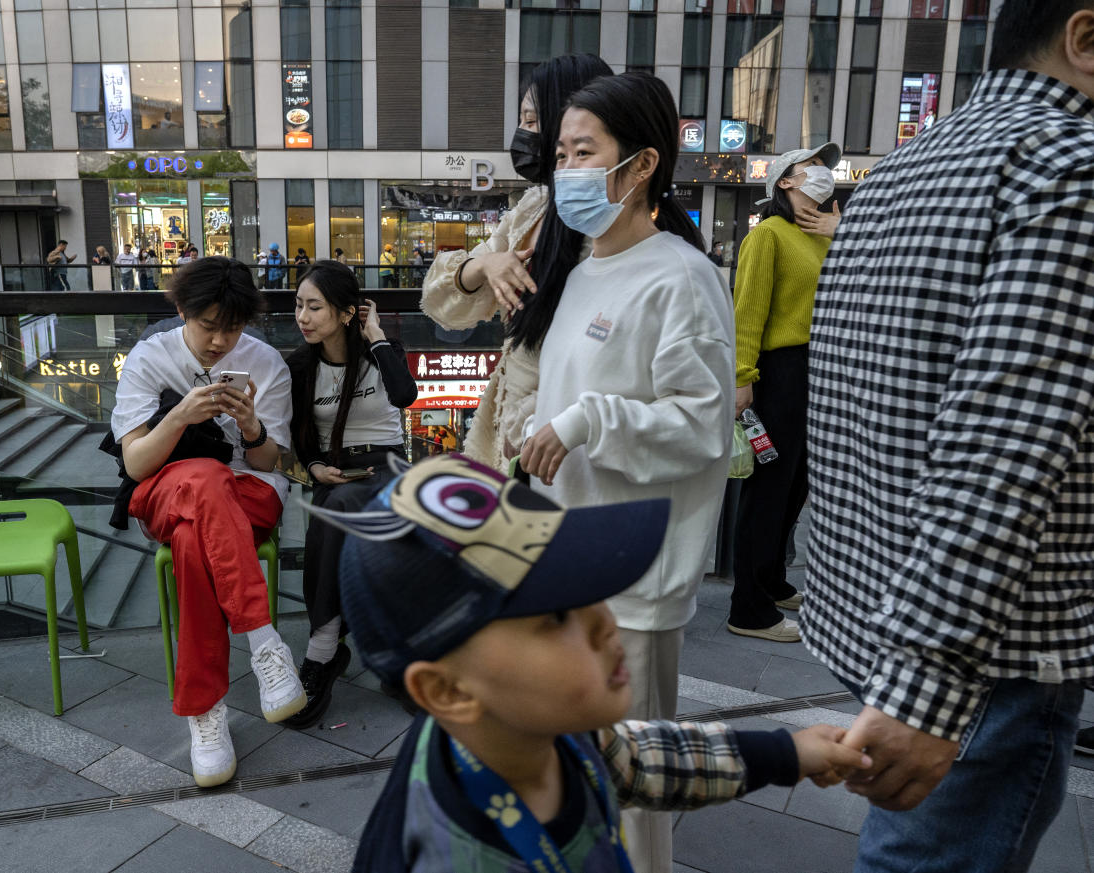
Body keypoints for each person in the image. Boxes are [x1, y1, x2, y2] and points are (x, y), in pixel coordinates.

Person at [802, 3, 1094, 871]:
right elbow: (1001, 446)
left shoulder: (903, 167)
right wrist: (932, 684)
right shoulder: (1070, 166)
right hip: (987, 648)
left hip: (880, 604)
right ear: (1085, 38)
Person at [304, 455, 869, 873]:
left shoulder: (532, 734)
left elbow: (637, 759)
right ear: (448, 690)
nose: (602, 621)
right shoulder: (457, 856)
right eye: (554, 617)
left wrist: (785, 752)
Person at [519, 72, 733, 873]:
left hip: (635, 578)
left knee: (634, 779)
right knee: (574, 766)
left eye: (583, 152)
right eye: (560, 152)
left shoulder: (681, 275)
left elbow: (702, 425)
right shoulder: (580, 268)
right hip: (567, 556)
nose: (565, 169)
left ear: (641, 165)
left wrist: (584, 422)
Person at [109, 256, 305, 787]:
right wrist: (179, 417)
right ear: (180, 310)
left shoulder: (266, 364)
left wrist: (254, 430)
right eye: (208, 326)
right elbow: (136, 464)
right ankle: (264, 642)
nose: (220, 341)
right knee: (201, 475)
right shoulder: (149, 358)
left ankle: (206, 714)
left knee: (198, 536)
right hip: (169, 489)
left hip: (249, 496)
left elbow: (271, 464)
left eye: (233, 328)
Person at [421, 54, 612, 475]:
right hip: (512, 415)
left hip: (562, 429)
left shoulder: (609, 221)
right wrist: (487, 264)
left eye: (531, 119)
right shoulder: (533, 205)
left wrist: (533, 422)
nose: (523, 134)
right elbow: (442, 299)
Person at [284, 261, 417, 728]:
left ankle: (323, 647)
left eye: (314, 306)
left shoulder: (380, 353)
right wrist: (315, 467)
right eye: (299, 305)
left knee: (338, 511)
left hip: (387, 469)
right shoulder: (299, 366)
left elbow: (405, 396)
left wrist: (377, 334)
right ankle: (388, 650)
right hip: (335, 473)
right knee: (337, 506)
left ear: (345, 313)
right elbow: (294, 441)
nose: (302, 316)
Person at [724, 143, 842, 644]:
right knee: (769, 488)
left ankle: (771, 580)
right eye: (811, 167)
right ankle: (747, 606)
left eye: (823, 167)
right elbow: (747, 311)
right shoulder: (769, 235)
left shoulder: (822, 235)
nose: (821, 174)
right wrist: (741, 377)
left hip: (821, 371)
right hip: (780, 371)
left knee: (797, 487)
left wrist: (845, 236)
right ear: (785, 181)